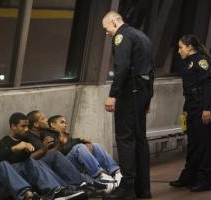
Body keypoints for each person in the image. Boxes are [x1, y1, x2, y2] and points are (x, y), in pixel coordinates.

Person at [102, 10, 154, 199]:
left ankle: (127, 188)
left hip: (130, 92)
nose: (106, 32)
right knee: (140, 139)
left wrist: (113, 95)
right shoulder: (142, 36)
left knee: (125, 139)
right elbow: (151, 69)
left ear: (115, 23)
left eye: (106, 28)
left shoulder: (122, 36)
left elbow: (122, 67)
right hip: (142, 91)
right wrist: (148, 98)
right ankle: (143, 188)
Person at [1, 112, 86, 200]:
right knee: (33, 162)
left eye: (27, 126)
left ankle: (73, 187)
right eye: (23, 126)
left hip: (35, 165)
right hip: (19, 174)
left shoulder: (26, 138)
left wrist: (58, 145)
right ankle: (58, 191)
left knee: (54, 155)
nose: (26, 129)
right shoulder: (6, 142)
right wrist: (42, 150)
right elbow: (14, 164)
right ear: (13, 126)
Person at [26, 110, 108, 197]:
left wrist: (62, 144)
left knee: (93, 146)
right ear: (36, 124)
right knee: (77, 149)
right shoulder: (28, 137)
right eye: (43, 119)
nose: (46, 120)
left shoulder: (43, 134)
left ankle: (102, 179)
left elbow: (51, 152)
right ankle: (86, 183)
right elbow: (32, 159)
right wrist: (46, 148)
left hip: (60, 163)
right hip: (43, 168)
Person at [169, 34, 211, 192]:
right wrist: (185, 111)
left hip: (202, 107)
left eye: (181, 47)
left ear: (190, 47)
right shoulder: (187, 63)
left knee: (204, 145)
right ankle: (189, 176)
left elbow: (208, 86)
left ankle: (205, 179)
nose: (179, 51)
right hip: (192, 107)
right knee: (193, 144)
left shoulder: (202, 61)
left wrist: (207, 108)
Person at [46, 115, 122, 193]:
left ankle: (116, 172)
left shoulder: (66, 135)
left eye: (65, 123)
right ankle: (100, 175)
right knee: (79, 148)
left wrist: (83, 142)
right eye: (62, 122)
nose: (65, 125)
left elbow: (71, 145)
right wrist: (80, 142)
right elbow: (58, 153)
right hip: (63, 166)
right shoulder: (49, 135)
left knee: (95, 146)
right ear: (52, 125)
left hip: (75, 163)